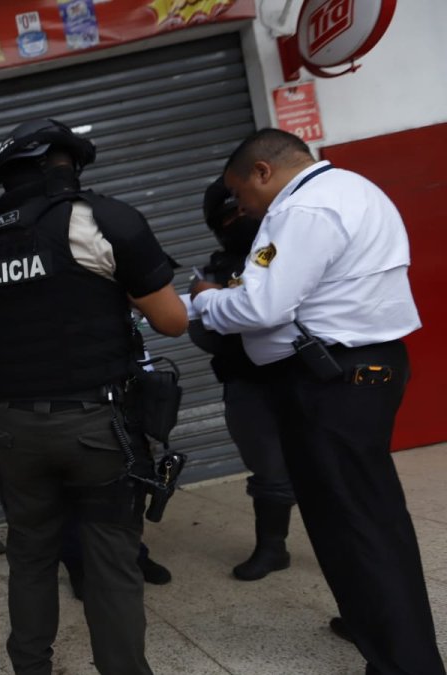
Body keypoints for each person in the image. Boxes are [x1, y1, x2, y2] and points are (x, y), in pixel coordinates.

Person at [191, 129, 444, 674]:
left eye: (239, 192)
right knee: (362, 514)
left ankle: (406, 662)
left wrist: (205, 302)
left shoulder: (301, 209)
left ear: (262, 171)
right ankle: (372, 622)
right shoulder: (352, 187)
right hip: (358, 369)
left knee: (356, 522)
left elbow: (261, 308)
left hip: (332, 381)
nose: (241, 206)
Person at [0, 118, 187, 675]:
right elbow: (172, 321)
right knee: (112, 564)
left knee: (30, 556)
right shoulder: (102, 220)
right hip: (95, 427)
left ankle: (30, 667)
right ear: (65, 168)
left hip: (14, 430)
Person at [189, 178, 297, 581]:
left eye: (242, 209)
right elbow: (204, 333)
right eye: (229, 215)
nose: (240, 218)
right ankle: (272, 548)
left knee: (332, 467)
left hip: (306, 377)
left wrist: (223, 304)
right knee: (268, 470)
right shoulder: (212, 271)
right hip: (246, 383)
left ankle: (346, 545)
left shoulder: (290, 251)